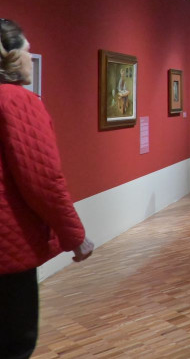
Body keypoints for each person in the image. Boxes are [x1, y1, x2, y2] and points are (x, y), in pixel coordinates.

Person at [0, 19, 94, 358]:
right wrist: (75, 236)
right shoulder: (16, 101)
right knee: (15, 344)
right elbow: (42, 180)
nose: (30, 56)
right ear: (10, 56)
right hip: (7, 249)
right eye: (27, 50)